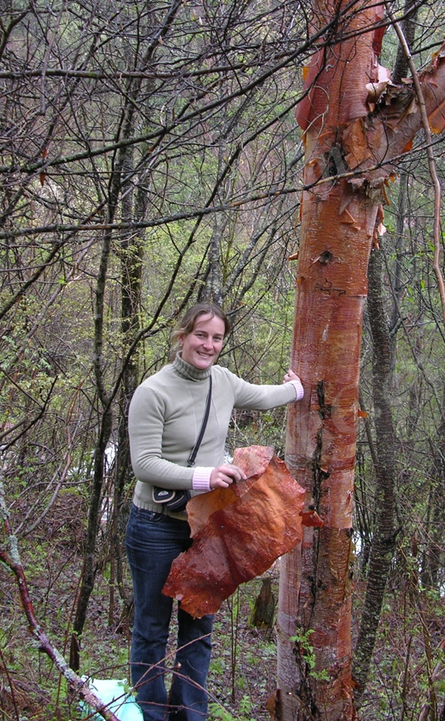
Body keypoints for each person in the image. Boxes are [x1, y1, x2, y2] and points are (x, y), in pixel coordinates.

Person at [126, 303, 303, 721]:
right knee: (152, 629)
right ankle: (151, 714)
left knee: (198, 629)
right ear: (182, 336)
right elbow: (145, 465)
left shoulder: (222, 381)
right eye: (201, 335)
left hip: (205, 530)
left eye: (217, 338)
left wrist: (297, 389)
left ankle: (191, 715)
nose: (208, 345)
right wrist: (205, 477)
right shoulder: (153, 391)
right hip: (155, 525)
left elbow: (260, 397)